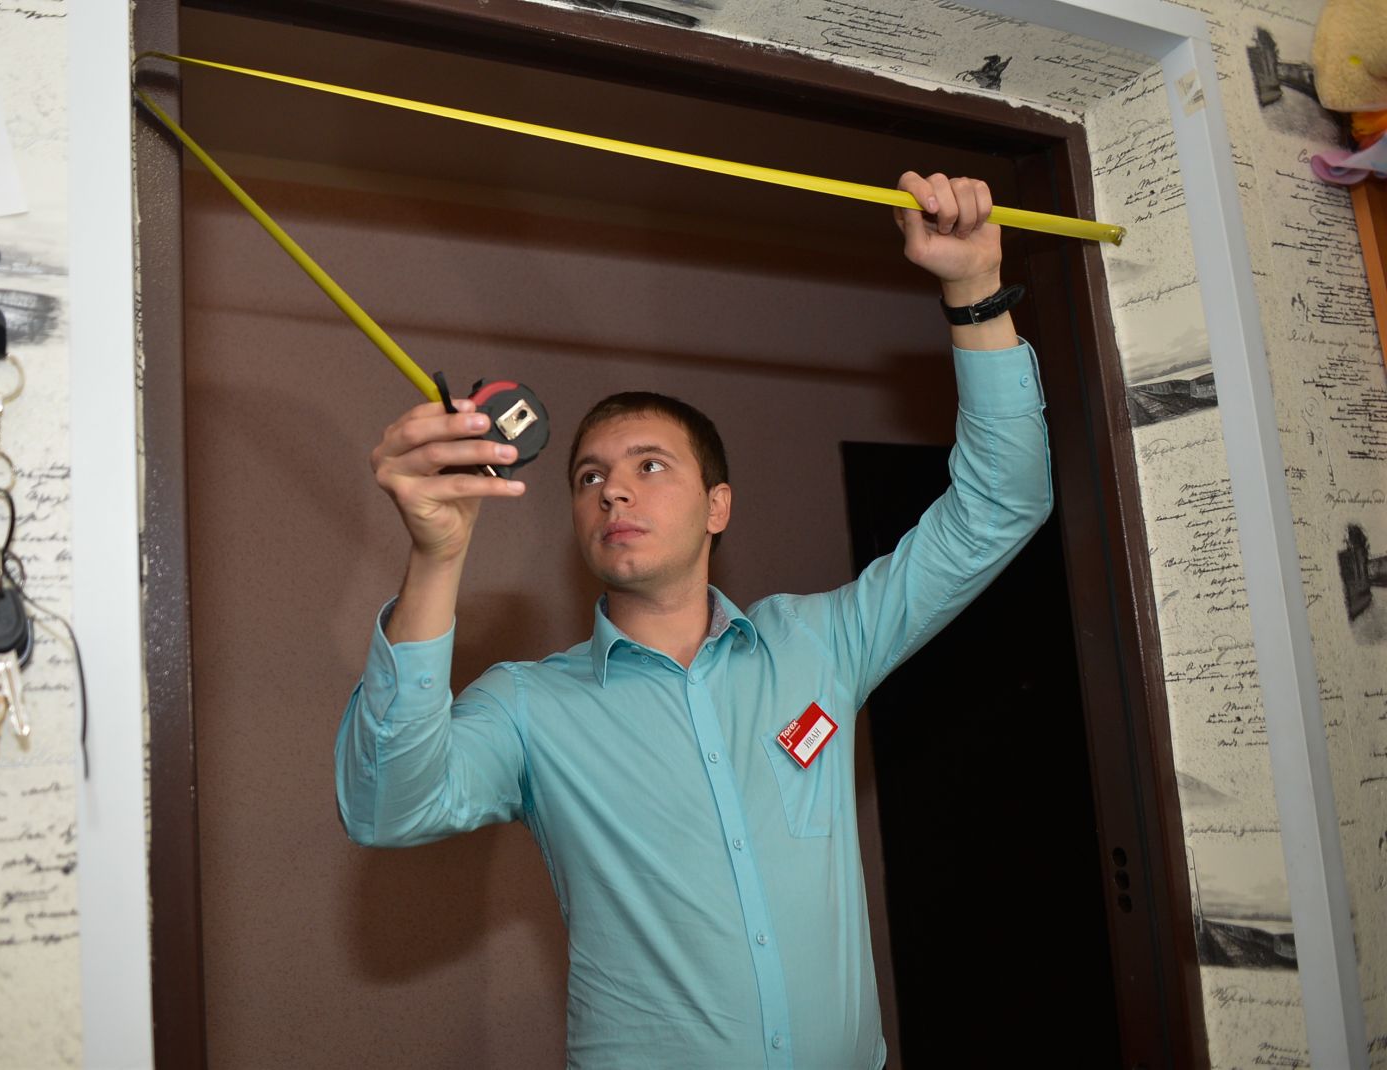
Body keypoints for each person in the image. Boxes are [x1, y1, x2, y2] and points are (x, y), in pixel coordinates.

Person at [336, 171, 1052, 1068]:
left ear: (719, 506)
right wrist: (437, 556)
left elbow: (1000, 506)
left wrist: (975, 289)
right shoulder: (528, 708)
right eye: (590, 477)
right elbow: (386, 807)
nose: (614, 490)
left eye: (649, 466)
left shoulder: (818, 645)